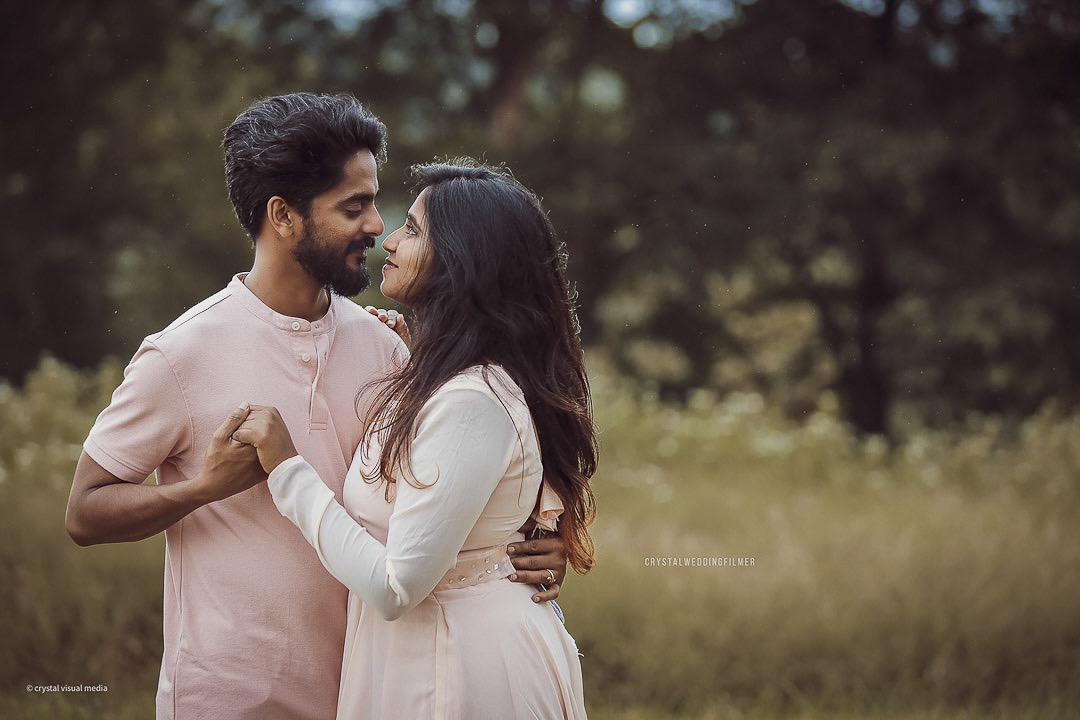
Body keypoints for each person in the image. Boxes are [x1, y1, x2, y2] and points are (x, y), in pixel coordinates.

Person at [64, 93, 568, 720]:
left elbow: (474, 452)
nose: (377, 226)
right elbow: (85, 513)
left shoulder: (387, 345)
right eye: (353, 207)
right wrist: (200, 490)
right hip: (235, 698)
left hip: (370, 685)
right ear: (283, 216)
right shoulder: (181, 354)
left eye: (377, 204)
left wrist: (540, 532)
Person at [228, 159, 597, 719]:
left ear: (465, 262)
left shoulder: (473, 399)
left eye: (415, 229)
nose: (389, 239)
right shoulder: (442, 381)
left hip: (463, 665)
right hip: (423, 649)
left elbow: (397, 587)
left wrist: (287, 470)